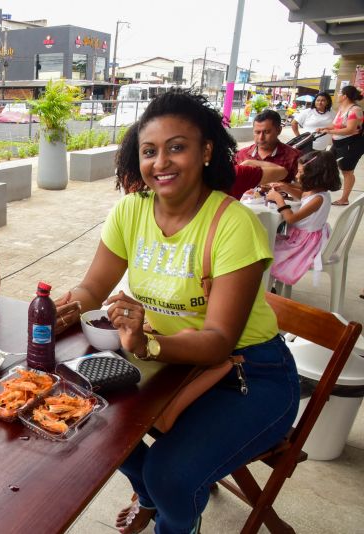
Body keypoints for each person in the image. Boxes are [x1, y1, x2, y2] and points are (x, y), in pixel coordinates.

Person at [57, 90, 299, 534]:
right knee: (81, 409)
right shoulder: (132, 210)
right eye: (149, 151)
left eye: (177, 147)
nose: (161, 162)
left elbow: (219, 340)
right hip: (174, 366)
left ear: (206, 151)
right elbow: (92, 287)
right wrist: (60, 308)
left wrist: (146, 342)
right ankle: (154, 498)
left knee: (170, 472)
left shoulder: (232, 224)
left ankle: (173, 513)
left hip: (250, 377)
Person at [266, 151, 341, 285]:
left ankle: (268, 287)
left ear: (314, 176)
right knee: (267, 243)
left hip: (304, 243)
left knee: (267, 251)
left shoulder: (319, 198)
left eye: (300, 172)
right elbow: (303, 197)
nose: (296, 175)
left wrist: (279, 199)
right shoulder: (317, 192)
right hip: (301, 237)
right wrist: (285, 187)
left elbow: (291, 219)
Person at [316, 85, 364, 206]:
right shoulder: (342, 108)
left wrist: (329, 131)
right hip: (338, 143)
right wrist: (325, 128)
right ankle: (321, 190)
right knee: (327, 164)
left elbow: (350, 130)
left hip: (351, 145)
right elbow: (336, 125)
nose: (337, 95)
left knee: (347, 171)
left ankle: (344, 199)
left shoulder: (355, 110)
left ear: (345, 96)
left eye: (339, 93)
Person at [235, 109, 300, 182]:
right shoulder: (241, 154)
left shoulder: (294, 157)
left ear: (279, 130)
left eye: (267, 132)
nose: (261, 138)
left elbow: (304, 189)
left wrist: (281, 186)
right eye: (257, 132)